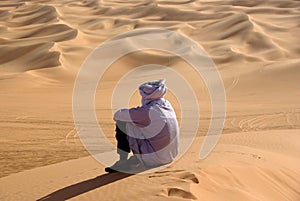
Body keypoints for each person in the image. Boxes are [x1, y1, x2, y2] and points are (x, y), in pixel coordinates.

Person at [105, 79, 179, 173]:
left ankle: (122, 161)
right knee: (138, 124)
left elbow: (118, 115)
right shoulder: (166, 105)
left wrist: (134, 114)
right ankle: (138, 157)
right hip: (170, 156)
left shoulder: (147, 111)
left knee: (122, 123)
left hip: (155, 159)